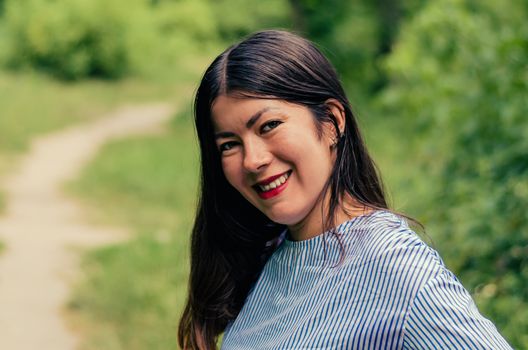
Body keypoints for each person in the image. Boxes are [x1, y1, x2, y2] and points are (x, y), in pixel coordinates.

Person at [178, 30, 512, 349]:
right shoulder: (270, 252)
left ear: (333, 122)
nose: (252, 160)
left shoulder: (395, 268)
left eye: (269, 126)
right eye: (229, 145)